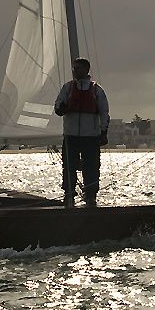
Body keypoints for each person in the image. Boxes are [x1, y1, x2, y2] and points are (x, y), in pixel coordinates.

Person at [54, 57, 110, 207]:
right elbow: (57, 106)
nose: (74, 71)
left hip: (90, 136)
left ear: (86, 70)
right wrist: (62, 108)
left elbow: (104, 112)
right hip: (71, 135)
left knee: (91, 166)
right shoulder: (67, 88)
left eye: (77, 68)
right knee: (69, 166)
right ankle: (69, 194)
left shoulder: (97, 90)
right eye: (73, 68)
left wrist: (103, 132)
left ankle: (91, 195)